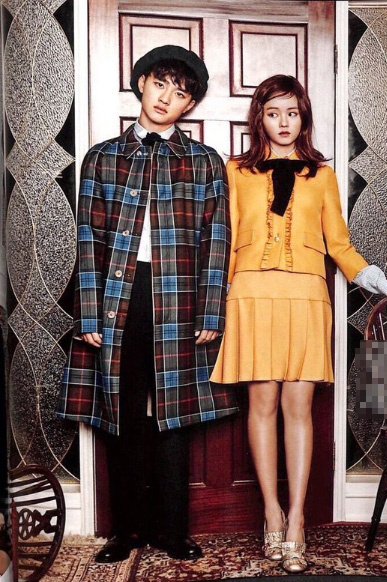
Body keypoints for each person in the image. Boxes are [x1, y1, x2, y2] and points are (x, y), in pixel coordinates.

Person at [210, 74, 387, 574]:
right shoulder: (235, 171)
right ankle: (271, 514)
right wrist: (212, 303)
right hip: (251, 295)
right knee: (261, 405)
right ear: (259, 118)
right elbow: (223, 240)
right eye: (273, 113)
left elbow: (340, 246)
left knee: (298, 408)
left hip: (306, 297)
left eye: (292, 112)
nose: (283, 122)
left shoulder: (321, 175)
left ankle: (298, 519)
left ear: (303, 117)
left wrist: (385, 285)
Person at [58, 45, 238, 564]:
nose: (165, 98)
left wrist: (211, 310)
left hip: (179, 296)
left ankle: (172, 529)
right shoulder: (102, 157)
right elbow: (87, 238)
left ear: (189, 106)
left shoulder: (204, 161)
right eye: (159, 84)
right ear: (141, 84)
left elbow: (217, 240)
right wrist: (89, 312)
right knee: (123, 410)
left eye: (179, 93)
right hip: (120, 296)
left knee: (174, 414)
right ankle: (127, 530)